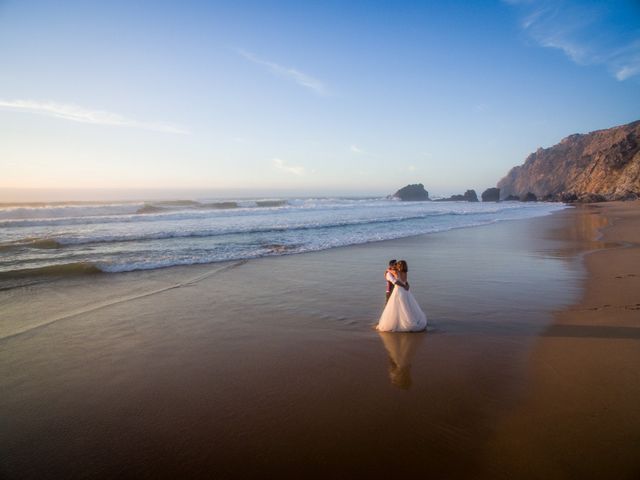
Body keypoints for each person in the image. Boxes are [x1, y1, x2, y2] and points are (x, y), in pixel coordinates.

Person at [377, 260, 427, 332]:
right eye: (395, 264)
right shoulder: (405, 272)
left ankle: (397, 322)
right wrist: (406, 285)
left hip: (398, 290)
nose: (396, 266)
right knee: (406, 306)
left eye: (397, 264)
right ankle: (405, 320)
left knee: (395, 307)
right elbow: (405, 281)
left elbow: (396, 281)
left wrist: (388, 270)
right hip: (405, 291)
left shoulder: (396, 272)